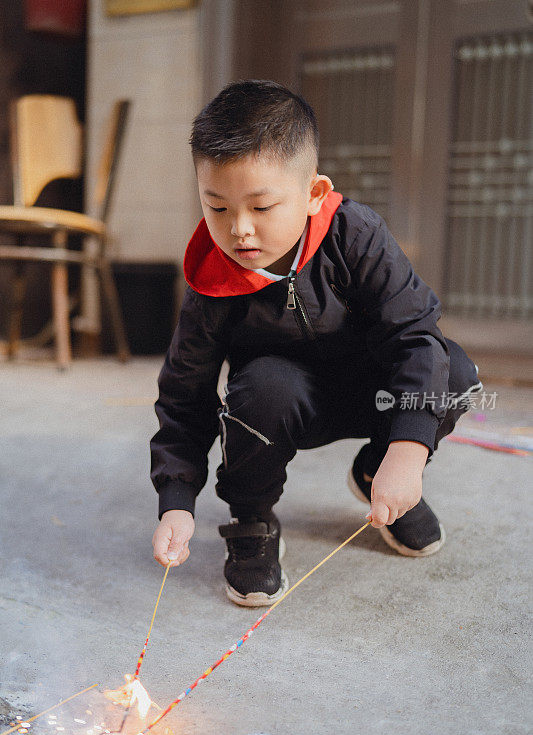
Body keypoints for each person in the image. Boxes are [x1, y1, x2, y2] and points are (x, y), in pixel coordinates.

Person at [150, 79, 482, 607]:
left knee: (455, 371)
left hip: (371, 392)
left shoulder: (356, 234)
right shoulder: (213, 280)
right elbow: (184, 395)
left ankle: (377, 469)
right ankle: (253, 519)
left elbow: (415, 337)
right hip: (277, 406)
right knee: (263, 385)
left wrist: (408, 450)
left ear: (313, 194)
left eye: (261, 207)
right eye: (216, 208)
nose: (239, 231)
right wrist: (175, 501)